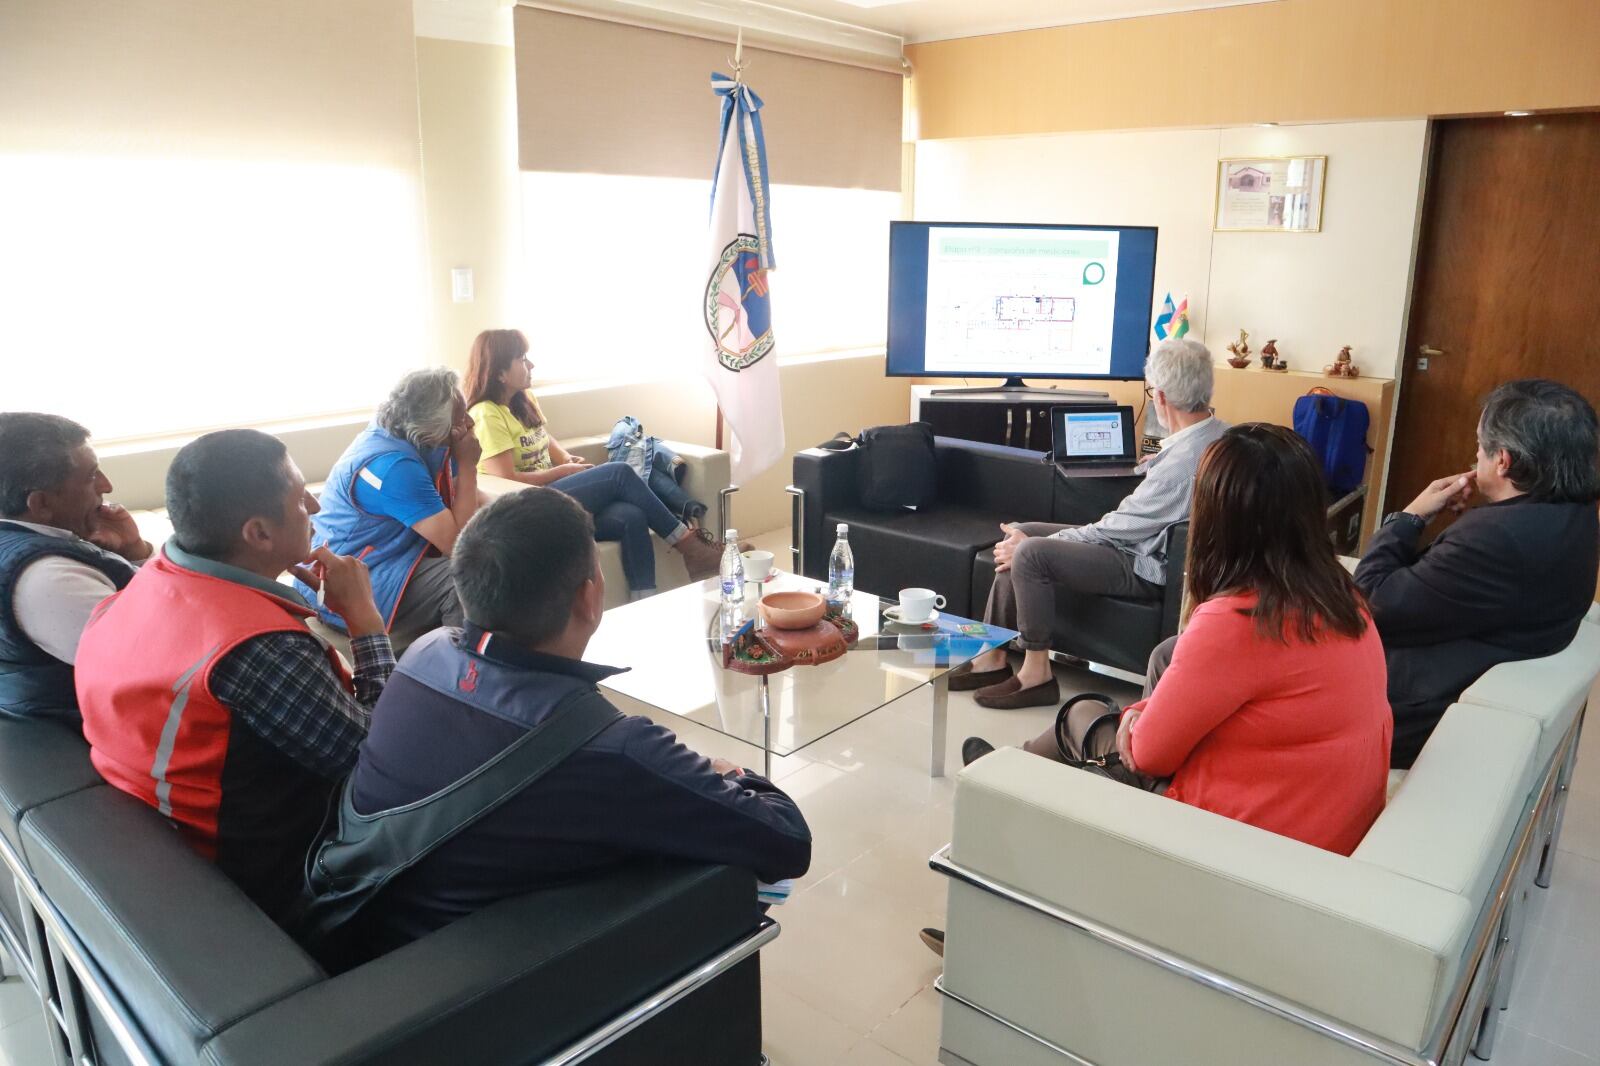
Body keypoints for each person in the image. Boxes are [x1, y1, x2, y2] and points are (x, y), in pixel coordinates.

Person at [925, 425, 1393, 956]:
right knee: (1127, 702)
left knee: (1079, 720)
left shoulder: (1239, 620)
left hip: (1239, 845)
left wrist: (1139, 725)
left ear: (1222, 519)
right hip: (1315, 826)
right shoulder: (1342, 596)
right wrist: (1143, 716)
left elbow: (1149, 753)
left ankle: (1001, 810)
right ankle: (1008, 779)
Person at [331, 486, 812, 953]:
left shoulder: (421, 655)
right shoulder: (614, 751)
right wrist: (730, 772)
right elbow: (786, 839)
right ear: (590, 596)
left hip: (364, 925)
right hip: (484, 986)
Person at [75, 429, 394, 923]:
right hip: (272, 877)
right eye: (298, 497)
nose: (313, 501)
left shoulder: (148, 580)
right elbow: (380, 767)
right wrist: (366, 623)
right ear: (259, 534)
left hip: (165, 844)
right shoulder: (260, 649)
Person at [953, 338, 1231, 709]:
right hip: (1140, 544)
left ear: (1160, 397)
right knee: (1026, 531)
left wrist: (1033, 545)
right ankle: (992, 655)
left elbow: (1119, 529)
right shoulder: (1219, 433)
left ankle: (1036, 674)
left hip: (1145, 564)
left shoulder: (1184, 463)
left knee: (1031, 551)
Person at [1355, 379, 1600, 768]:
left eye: (1479, 447)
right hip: (1480, 658)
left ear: (1502, 461)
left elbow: (1371, 602)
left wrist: (1410, 516)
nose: (1475, 456)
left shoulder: (1496, 538)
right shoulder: (1577, 514)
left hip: (1411, 710)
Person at [463, 329, 724, 597]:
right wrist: (564, 471)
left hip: (554, 490)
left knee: (631, 516)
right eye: (521, 359)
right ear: (499, 373)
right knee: (619, 474)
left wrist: (565, 457)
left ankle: (644, 599)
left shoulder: (523, 399)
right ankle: (690, 546)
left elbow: (542, 435)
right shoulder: (486, 414)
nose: (531, 365)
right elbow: (507, 479)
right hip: (528, 506)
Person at [299, 368, 481, 654]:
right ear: (432, 426)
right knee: (468, 575)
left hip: (392, 557)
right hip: (342, 582)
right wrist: (469, 464)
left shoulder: (415, 436)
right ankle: (462, 672)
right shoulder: (393, 467)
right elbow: (457, 545)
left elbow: (467, 496)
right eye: (460, 419)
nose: (469, 424)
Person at [0, 413, 154, 719]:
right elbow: (171, 659)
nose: (107, 486)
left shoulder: (32, 546)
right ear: (41, 504)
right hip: (96, 738)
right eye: (91, 475)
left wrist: (134, 553)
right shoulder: (49, 580)